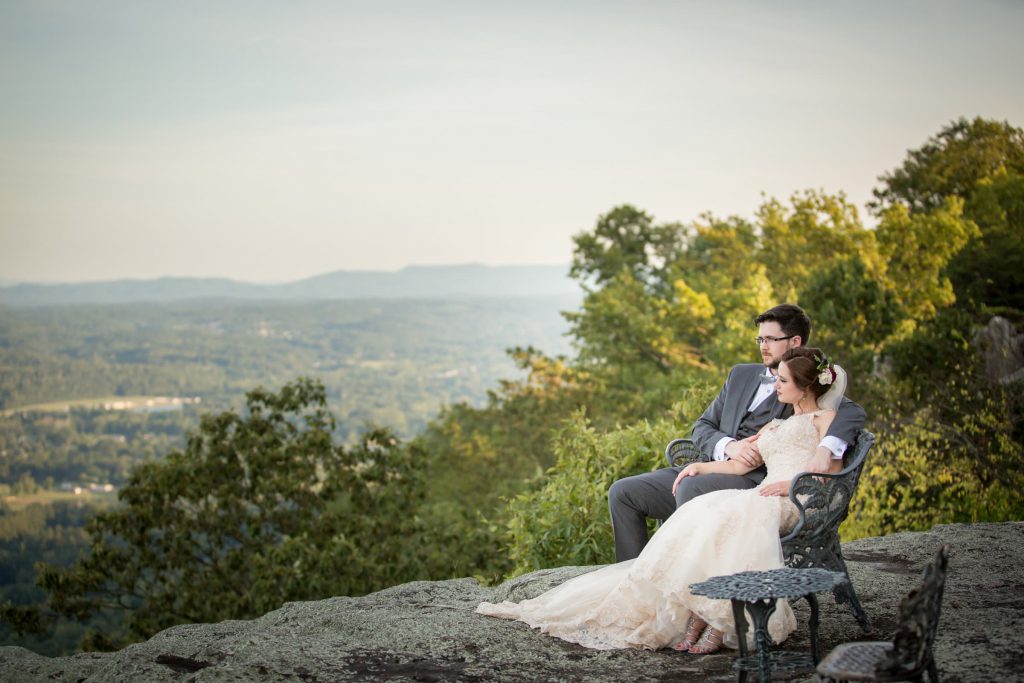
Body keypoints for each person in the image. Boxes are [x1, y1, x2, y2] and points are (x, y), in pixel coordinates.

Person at [476, 346, 849, 653]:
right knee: (703, 512)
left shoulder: (825, 420)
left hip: (790, 500)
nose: (776, 385)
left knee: (725, 520)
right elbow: (736, 465)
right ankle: (694, 611)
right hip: (756, 492)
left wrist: (787, 486)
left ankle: (717, 625)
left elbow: (826, 470)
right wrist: (699, 469)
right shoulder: (774, 425)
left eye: (783, 381)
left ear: (804, 387)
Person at [608, 303, 865, 562]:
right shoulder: (740, 374)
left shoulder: (805, 385)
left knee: (692, 487)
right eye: (760, 339)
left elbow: (852, 413)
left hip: (754, 483)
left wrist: (826, 448)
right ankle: (633, 577)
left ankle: (689, 581)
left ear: (795, 341)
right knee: (623, 492)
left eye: (771, 339)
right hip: (715, 467)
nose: (763, 346)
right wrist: (729, 446)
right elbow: (702, 426)